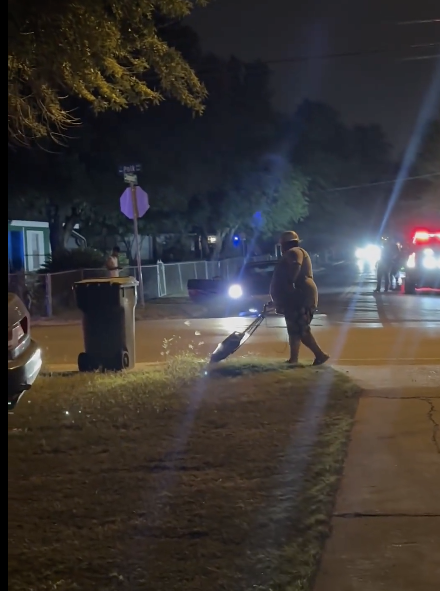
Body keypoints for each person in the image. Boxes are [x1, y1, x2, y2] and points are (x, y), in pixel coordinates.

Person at [270, 231, 329, 365]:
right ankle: (293, 359)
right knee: (294, 330)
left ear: (285, 244)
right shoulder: (293, 252)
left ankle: (320, 354)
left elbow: (296, 265)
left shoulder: (294, 251)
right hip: (294, 298)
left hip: (301, 297)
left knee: (301, 329)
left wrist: (290, 283)